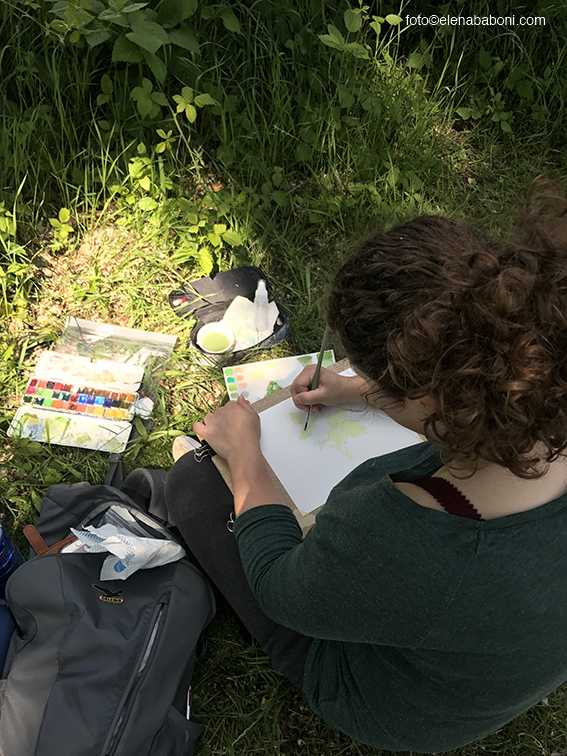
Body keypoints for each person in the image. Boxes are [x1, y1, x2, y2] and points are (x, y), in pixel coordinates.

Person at [165, 177, 567, 753]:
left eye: (375, 378)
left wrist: (245, 453)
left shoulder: (398, 531)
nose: (365, 383)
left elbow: (280, 587)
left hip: (395, 706)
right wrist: (360, 391)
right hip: (480, 658)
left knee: (192, 485)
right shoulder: (542, 390)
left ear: (428, 397)